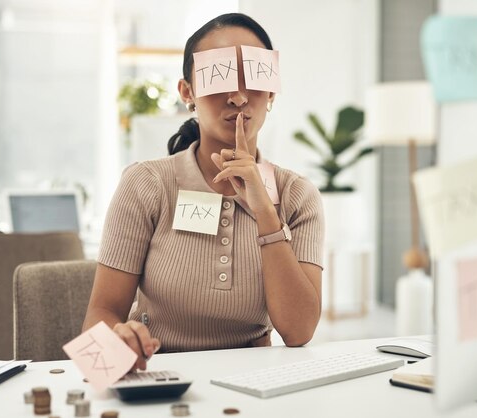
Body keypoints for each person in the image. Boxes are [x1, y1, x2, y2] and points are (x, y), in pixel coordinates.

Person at [83, 12, 324, 371]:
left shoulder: (297, 195)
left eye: (254, 77)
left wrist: (265, 212)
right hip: (156, 374)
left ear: (272, 91)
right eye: (219, 76)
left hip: (257, 379)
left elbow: (299, 332)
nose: (239, 97)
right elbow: (99, 317)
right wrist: (117, 350)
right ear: (187, 93)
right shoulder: (145, 184)